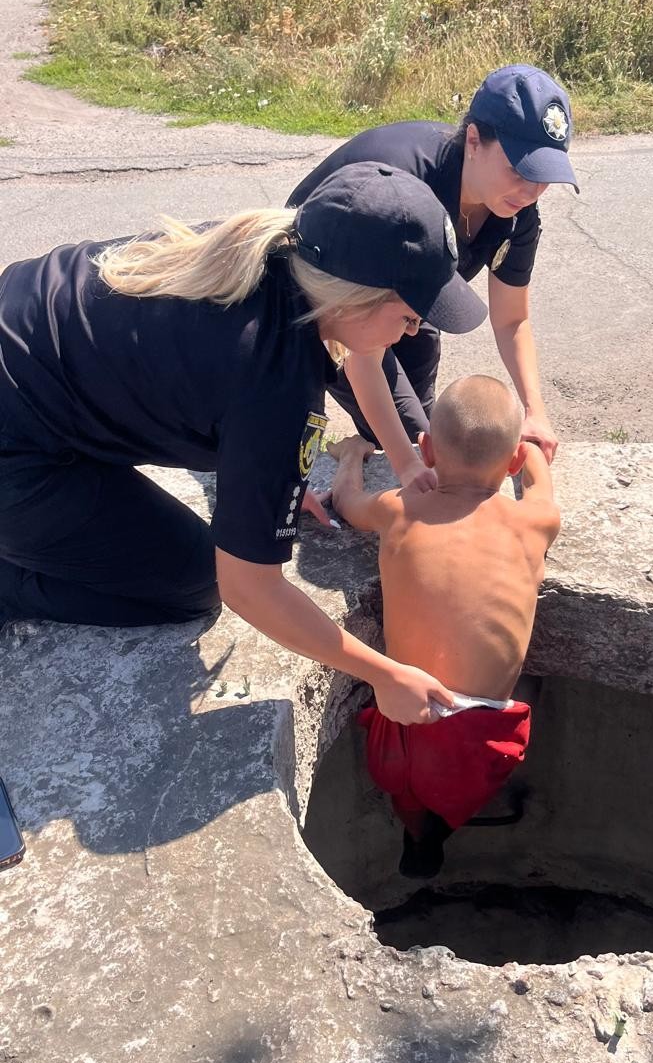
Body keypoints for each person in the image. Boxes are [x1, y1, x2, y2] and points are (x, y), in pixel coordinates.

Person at [0, 163, 489, 725]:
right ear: (352, 299)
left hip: (25, 340)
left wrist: (269, 485)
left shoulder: (270, 252)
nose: (410, 334)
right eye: (407, 317)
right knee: (193, 583)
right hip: (18, 450)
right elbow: (248, 589)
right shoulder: (273, 379)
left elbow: (253, 385)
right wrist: (383, 673)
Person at [288, 64, 578, 522]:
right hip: (331, 296)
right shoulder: (407, 191)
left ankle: (362, 443)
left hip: (411, 299)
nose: (531, 190)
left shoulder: (518, 213)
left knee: (420, 436)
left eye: (544, 175)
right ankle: (327, 460)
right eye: (520, 170)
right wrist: (405, 464)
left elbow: (511, 319)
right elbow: (361, 350)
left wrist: (534, 411)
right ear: (474, 140)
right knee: (416, 449)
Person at [327, 375, 561, 876]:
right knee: (466, 784)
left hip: (401, 720)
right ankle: (436, 836)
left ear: (427, 450)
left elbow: (346, 501)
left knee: (407, 793)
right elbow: (540, 483)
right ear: (513, 460)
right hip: (481, 740)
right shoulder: (533, 523)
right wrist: (532, 444)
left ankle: (415, 836)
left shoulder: (399, 509)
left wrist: (351, 455)